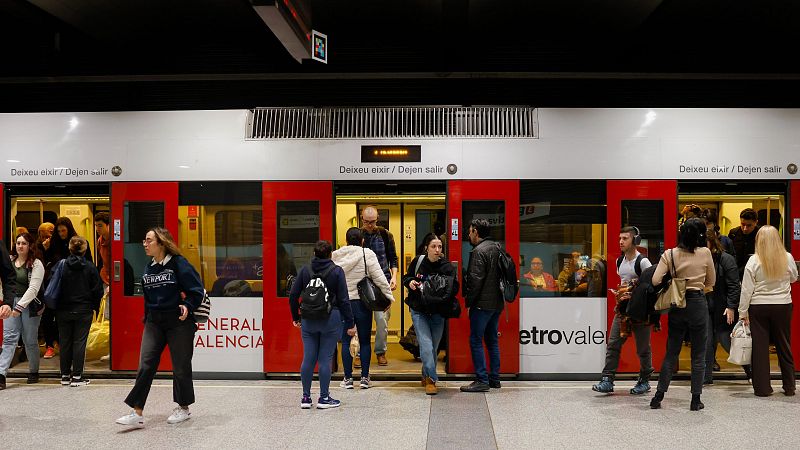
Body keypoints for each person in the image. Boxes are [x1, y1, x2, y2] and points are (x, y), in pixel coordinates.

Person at [116, 227, 204, 427]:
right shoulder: (150, 266)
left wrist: (187, 306)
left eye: (148, 240)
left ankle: (183, 408)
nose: (144, 244)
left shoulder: (179, 264)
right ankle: (137, 411)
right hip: (154, 322)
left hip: (178, 322)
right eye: (144, 240)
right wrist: (147, 317)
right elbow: (149, 296)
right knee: (146, 364)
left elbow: (197, 291)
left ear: (162, 243)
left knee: (180, 366)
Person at [649, 218, 715, 411]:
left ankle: (658, 396)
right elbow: (712, 280)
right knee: (699, 353)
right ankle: (695, 400)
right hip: (698, 304)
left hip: (678, 303)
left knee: (672, 352)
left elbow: (654, 281)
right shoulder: (705, 253)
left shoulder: (670, 254)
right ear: (700, 236)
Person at [289, 240, 355, 409]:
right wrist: (350, 323)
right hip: (330, 318)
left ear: (314, 254)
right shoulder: (337, 271)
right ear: (330, 254)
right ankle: (324, 398)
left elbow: (293, 295)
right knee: (325, 359)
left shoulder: (305, 270)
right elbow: (343, 300)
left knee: (308, 358)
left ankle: (305, 398)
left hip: (308, 319)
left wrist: (296, 317)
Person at [592, 226, 654, 395]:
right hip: (623, 310)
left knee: (642, 348)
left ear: (635, 241)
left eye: (625, 238)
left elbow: (650, 286)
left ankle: (645, 380)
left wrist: (632, 290)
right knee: (613, 344)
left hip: (640, 311)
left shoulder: (643, 262)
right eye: (620, 238)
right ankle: (607, 379)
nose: (620, 241)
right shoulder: (619, 261)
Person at [738, 225, 798, 397]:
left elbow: (747, 290)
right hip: (783, 305)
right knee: (783, 345)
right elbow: (794, 278)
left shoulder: (753, 260)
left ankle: (763, 388)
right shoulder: (787, 257)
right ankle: (789, 387)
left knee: (760, 348)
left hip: (759, 307)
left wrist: (743, 312)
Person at [332, 227, 392, 390]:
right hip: (362, 304)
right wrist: (388, 298)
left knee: (345, 341)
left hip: (344, 304)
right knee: (365, 340)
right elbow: (379, 278)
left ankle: (348, 378)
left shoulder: (336, 256)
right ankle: (365, 378)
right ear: (362, 241)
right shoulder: (367, 254)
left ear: (346, 241)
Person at [403, 232, 459, 395]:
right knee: (426, 344)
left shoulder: (447, 266)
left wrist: (442, 286)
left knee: (433, 347)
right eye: (434, 246)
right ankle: (432, 380)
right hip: (419, 310)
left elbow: (455, 288)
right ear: (426, 247)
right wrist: (410, 282)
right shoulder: (418, 261)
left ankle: (425, 374)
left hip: (438, 312)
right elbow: (407, 278)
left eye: (440, 246)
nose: (437, 249)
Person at [460, 219, 504, 393]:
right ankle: (495, 378)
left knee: (476, 340)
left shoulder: (479, 251)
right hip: (496, 304)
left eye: (470, 231)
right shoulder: (497, 248)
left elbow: (475, 281)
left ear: (476, 231)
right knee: (492, 341)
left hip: (481, 305)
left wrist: (469, 302)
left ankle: (481, 379)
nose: (468, 234)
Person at [56, 236, 104, 386]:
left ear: (70, 248)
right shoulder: (90, 267)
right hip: (83, 310)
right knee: (79, 342)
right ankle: (77, 377)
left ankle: (64, 376)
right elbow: (97, 290)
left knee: (65, 342)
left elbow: (52, 284)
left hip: (63, 310)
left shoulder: (61, 265)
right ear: (84, 250)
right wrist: (94, 307)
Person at [0, 233, 45, 387]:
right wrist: (5, 302)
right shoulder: (10, 261)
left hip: (30, 305)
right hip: (11, 302)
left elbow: (33, 289)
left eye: (24, 243)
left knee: (29, 340)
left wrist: (19, 307)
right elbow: (4, 282)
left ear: (30, 246)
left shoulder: (36, 264)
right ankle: (1, 374)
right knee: (9, 339)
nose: (20, 246)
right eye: (18, 243)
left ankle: (33, 371)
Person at [703, 226, 744, 385]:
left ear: (712, 243)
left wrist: (731, 306)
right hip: (706, 306)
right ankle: (706, 378)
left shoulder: (726, 259)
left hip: (723, 306)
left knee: (727, 341)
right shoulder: (700, 259)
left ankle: (750, 370)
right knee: (706, 342)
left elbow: (734, 285)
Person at [360, 206, 398, 367]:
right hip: (362, 282)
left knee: (382, 320)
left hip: (382, 281)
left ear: (378, 219)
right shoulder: (357, 235)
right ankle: (359, 352)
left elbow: (393, 259)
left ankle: (380, 352)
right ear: (362, 219)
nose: (369, 225)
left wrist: (394, 277)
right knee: (361, 320)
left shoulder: (385, 234)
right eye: (367, 222)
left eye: (373, 222)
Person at [41, 217, 79, 359]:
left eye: (64, 230)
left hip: (70, 287)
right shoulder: (53, 244)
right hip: (54, 285)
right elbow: (48, 263)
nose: (62, 233)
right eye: (59, 231)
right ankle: (50, 345)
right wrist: (46, 249)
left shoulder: (76, 243)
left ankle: (62, 344)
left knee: (63, 318)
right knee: (48, 316)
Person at [728, 208, 760, 280]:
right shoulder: (733, 233)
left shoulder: (761, 234)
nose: (745, 228)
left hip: (755, 272)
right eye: (743, 224)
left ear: (756, 223)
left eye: (749, 225)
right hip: (736, 271)